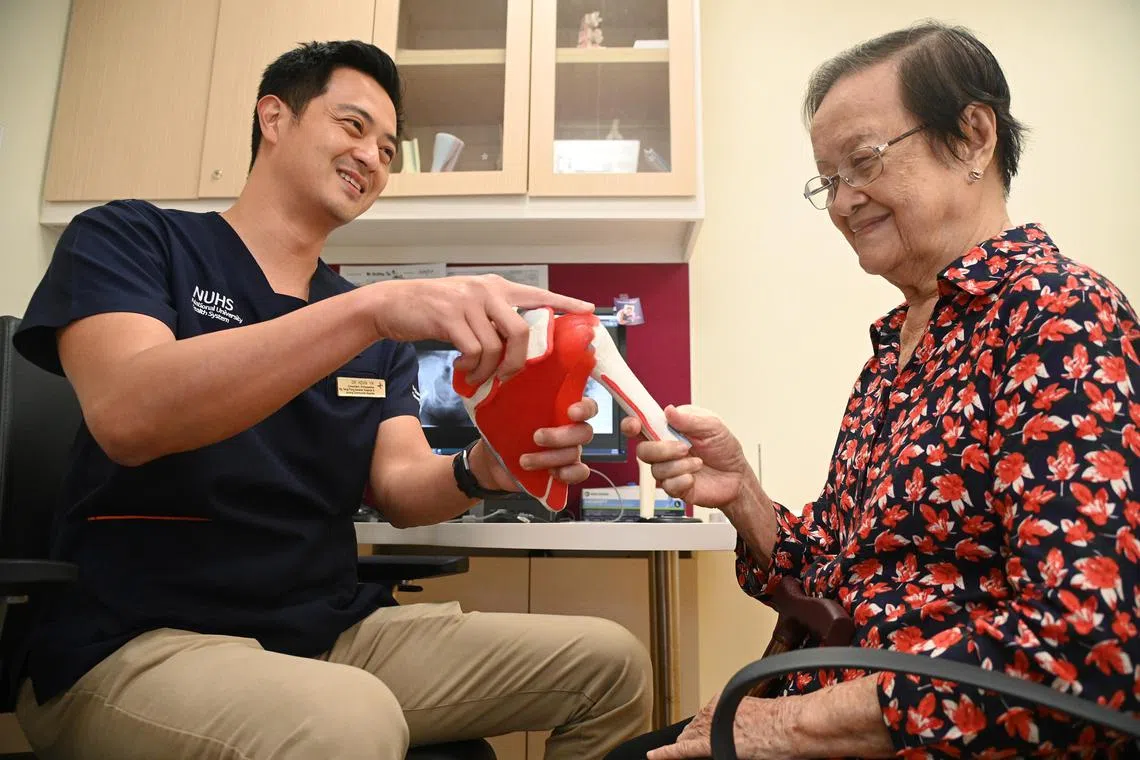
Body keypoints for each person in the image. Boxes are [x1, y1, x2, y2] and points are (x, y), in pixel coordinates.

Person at [12, 40, 651, 759]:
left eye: (388, 146)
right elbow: (129, 413)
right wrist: (371, 310)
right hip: (132, 637)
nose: (375, 156)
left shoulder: (373, 328)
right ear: (274, 117)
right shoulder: (132, 239)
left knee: (611, 663)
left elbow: (402, 489)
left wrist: (485, 466)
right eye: (353, 127)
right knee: (348, 720)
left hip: (325, 633)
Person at [608, 21, 1139, 760]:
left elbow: (1086, 656)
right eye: (828, 180)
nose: (842, 202)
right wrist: (743, 497)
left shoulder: (1060, 317)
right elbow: (838, 581)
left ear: (974, 137)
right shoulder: (894, 354)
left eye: (862, 162)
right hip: (823, 708)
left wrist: (784, 728)